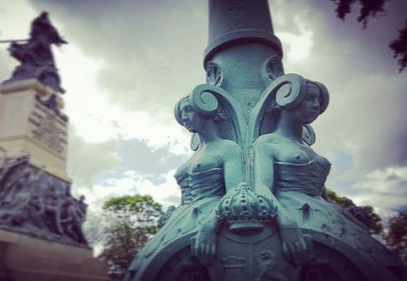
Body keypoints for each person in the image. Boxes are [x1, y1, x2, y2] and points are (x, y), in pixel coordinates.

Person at [253, 78, 380, 265]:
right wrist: (285, 224)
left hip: (325, 214)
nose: (316, 105)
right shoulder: (268, 143)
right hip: (294, 213)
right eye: (309, 98)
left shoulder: (308, 149)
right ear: (289, 99)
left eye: (318, 100)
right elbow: (262, 188)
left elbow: (322, 196)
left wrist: (347, 217)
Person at [125, 90, 245, 278]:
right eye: (181, 113)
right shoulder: (195, 155)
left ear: (205, 109)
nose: (184, 116)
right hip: (183, 218)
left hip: (208, 214)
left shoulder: (228, 148)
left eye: (188, 110)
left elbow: (235, 192)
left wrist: (210, 226)